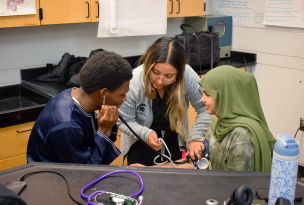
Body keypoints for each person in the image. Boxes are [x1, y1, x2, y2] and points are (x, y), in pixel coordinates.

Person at [118, 37, 212, 166]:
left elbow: (205, 109)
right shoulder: (134, 82)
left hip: (174, 141)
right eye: (155, 72)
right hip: (139, 143)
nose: (160, 81)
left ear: (179, 74)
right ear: (148, 65)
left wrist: (196, 137)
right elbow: (124, 120)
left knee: (174, 181)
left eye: (169, 76)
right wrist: (146, 134)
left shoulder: (187, 76)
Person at [27, 51, 133, 165]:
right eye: (122, 94)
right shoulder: (67, 126)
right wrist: (103, 131)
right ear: (103, 93)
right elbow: (84, 174)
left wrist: (106, 126)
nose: (125, 99)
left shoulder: (74, 95)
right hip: (54, 180)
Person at [199, 65, 275, 172]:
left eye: (207, 94)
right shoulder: (219, 122)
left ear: (226, 96)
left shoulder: (242, 136)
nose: (202, 99)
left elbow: (234, 183)